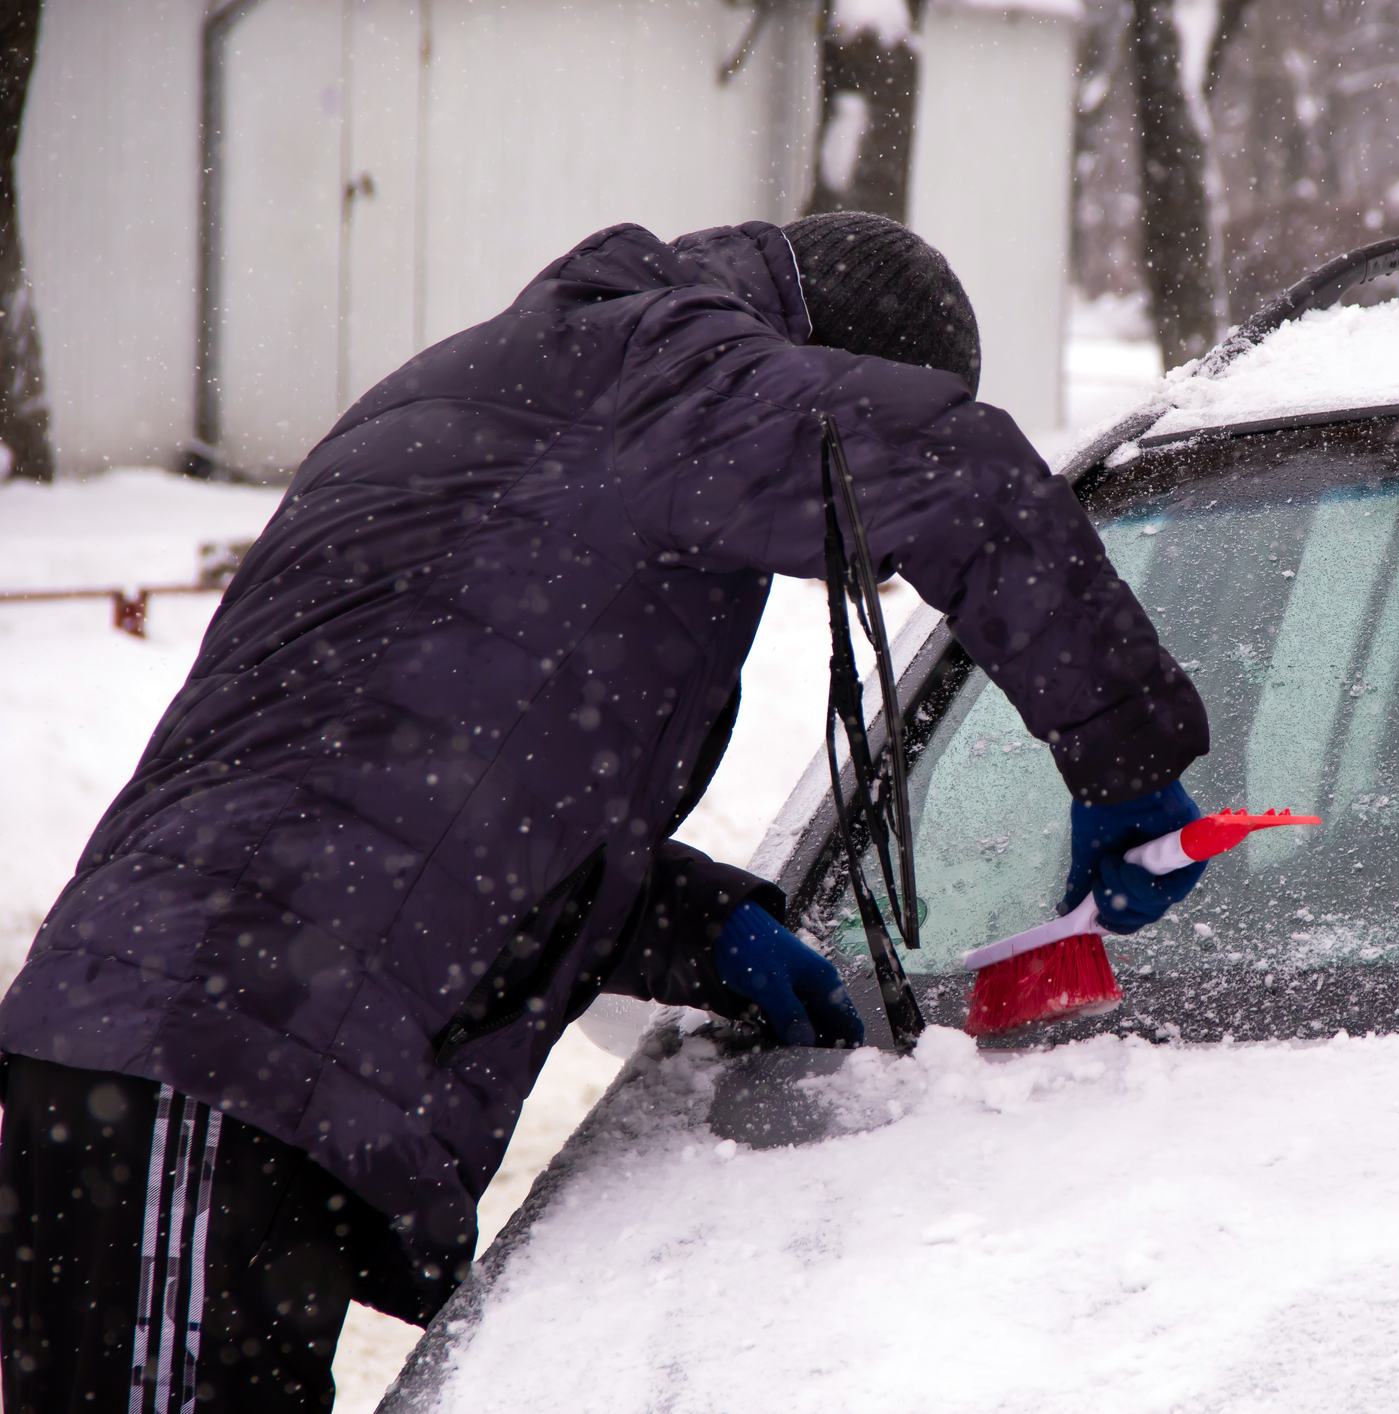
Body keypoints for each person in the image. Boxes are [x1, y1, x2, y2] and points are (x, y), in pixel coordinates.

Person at [0, 213, 1209, 1411]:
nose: (847, 573)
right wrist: (1126, 756)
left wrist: (695, 927)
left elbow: (443, 791)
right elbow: (957, 473)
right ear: (823, 358)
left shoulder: (559, 393)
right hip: (205, 1050)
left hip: (184, 1051)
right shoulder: (672, 375)